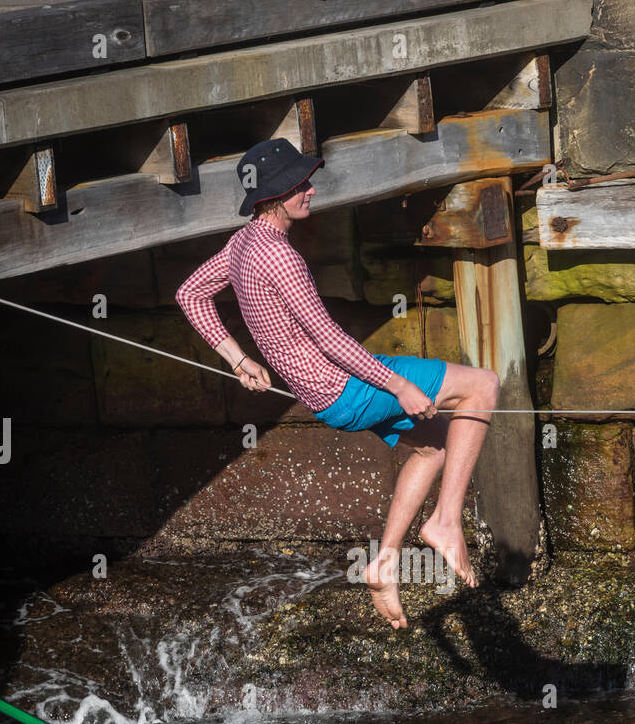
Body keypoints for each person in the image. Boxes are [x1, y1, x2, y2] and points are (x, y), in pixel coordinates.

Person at [176, 138, 499, 630]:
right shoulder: (280, 257)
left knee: (433, 445)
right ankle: (446, 521)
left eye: (306, 180)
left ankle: (384, 563)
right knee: (484, 385)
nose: (309, 190)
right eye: (298, 184)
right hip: (345, 387)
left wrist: (239, 360)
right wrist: (398, 386)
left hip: (324, 397)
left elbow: (189, 293)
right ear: (274, 196)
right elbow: (328, 338)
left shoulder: (243, 243)